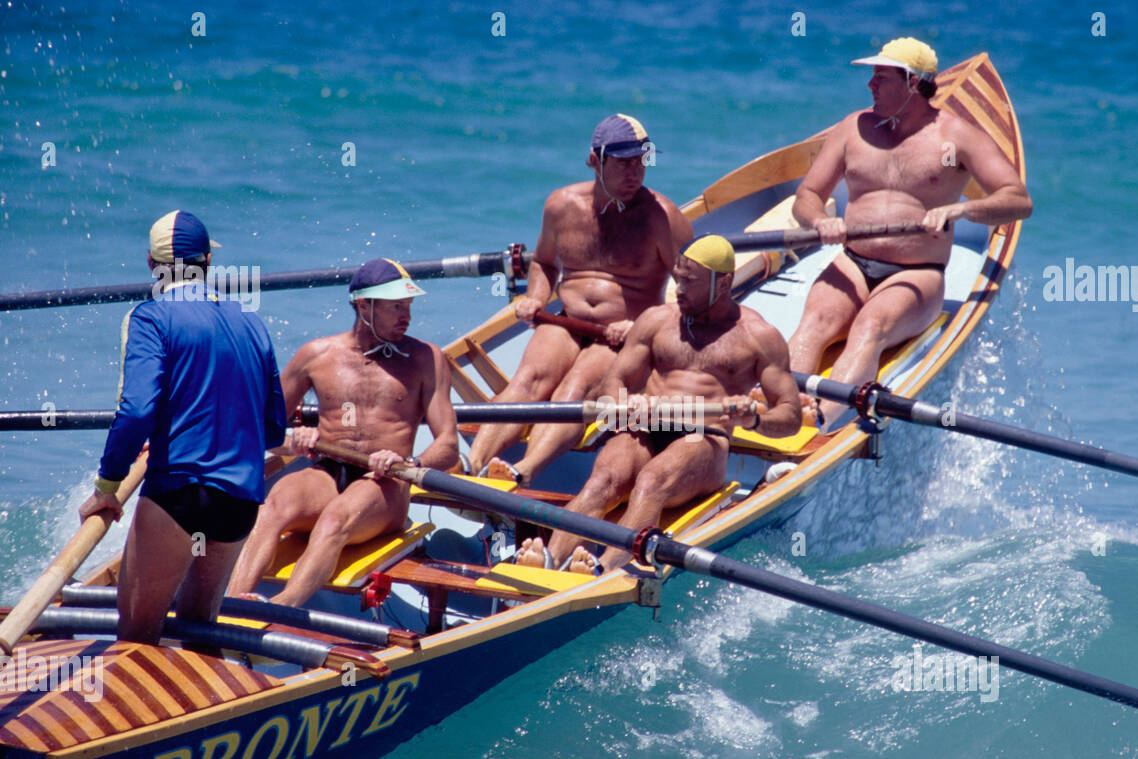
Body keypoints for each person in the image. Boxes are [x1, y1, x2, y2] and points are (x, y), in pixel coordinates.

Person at [517, 235, 801, 575]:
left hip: (703, 437)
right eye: (678, 277)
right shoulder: (656, 321)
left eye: (690, 282)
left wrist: (753, 420)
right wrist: (624, 403)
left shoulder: (758, 336)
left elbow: (790, 416)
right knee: (602, 481)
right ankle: (549, 564)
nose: (679, 289)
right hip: (647, 428)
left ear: (723, 283)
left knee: (651, 480)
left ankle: (602, 569)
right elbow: (613, 384)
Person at [787, 37, 1032, 414]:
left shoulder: (956, 137)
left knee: (869, 328)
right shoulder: (854, 128)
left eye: (881, 78)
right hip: (853, 261)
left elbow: (1017, 200)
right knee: (815, 323)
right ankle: (782, 406)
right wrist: (820, 220)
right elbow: (807, 195)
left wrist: (960, 212)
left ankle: (818, 419)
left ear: (913, 83)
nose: (870, 86)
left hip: (917, 274)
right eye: (872, 77)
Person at [78, 210, 287, 644]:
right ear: (209, 261)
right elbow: (273, 432)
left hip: (179, 494)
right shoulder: (252, 323)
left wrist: (107, 487)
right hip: (239, 500)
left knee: (137, 633)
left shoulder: (150, 317)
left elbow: (136, 411)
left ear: (151, 265)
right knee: (200, 633)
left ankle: (130, 710)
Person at [465, 114, 694, 485]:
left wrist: (641, 326)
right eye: (623, 163)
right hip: (566, 319)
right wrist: (536, 298)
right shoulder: (561, 205)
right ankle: (470, 467)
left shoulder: (662, 218)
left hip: (624, 335)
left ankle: (520, 473)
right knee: (529, 379)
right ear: (594, 161)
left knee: (576, 389)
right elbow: (542, 262)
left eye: (641, 161)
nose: (635, 172)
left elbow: (696, 290)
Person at [227, 258, 459, 607]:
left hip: (387, 486)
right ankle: (231, 605)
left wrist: (410, 462)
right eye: (396, 306)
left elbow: (450, 446)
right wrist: (293, 442)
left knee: (335, 518)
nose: (406, 316)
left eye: (408, 306)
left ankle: (282, 608)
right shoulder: (316, 356)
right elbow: (258, 428)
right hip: (327, 472)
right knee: (272, 505)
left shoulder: (426, 359)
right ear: (364, 306)